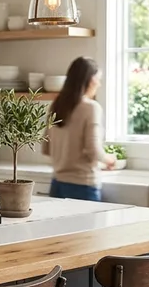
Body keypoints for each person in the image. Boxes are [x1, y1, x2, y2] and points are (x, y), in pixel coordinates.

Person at [43, 56, 115, 202]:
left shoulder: (57, 105)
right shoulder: (91, 108)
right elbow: (93, 149)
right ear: (90, 80)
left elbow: (46, 147)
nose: (99, 84)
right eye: (98, 79)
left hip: (57, 185)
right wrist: (109, 160)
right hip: (83, 187)